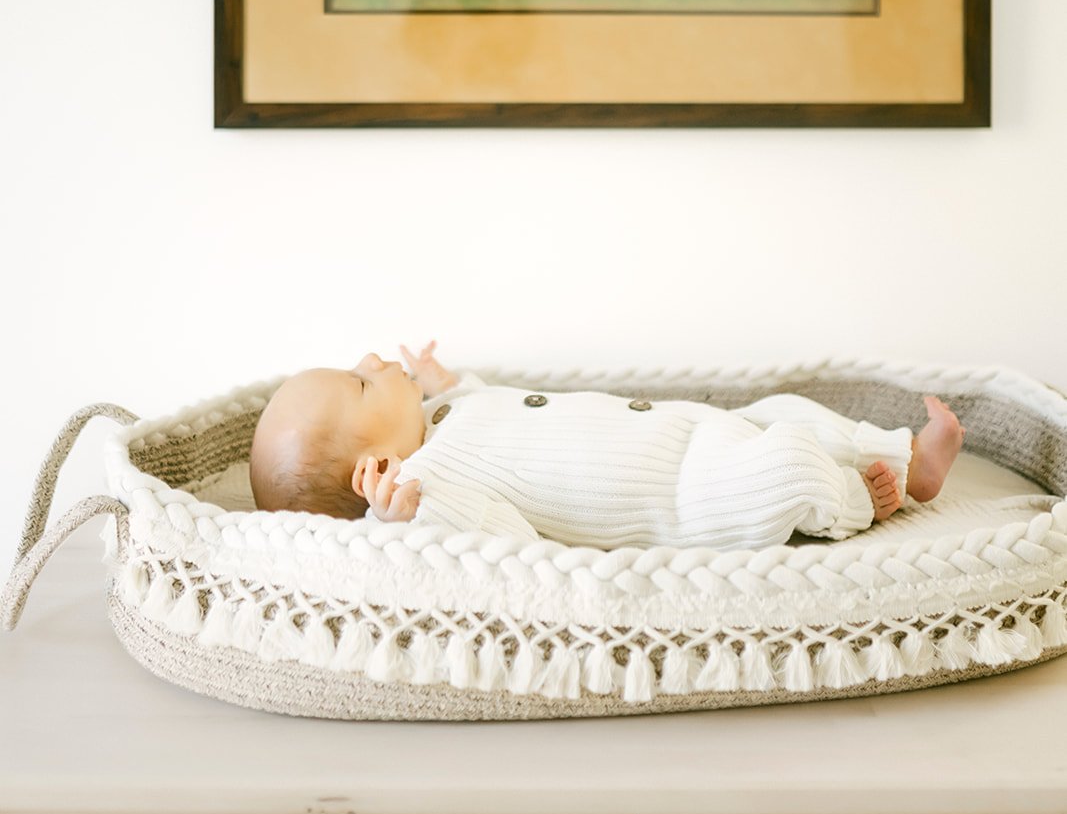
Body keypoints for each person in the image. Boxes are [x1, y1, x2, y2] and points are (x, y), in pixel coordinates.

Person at [249, 344, 966, 550]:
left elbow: (486, 403)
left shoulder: (443, 415)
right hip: (682, 497)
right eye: (360, 380)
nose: (375, 358)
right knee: (784, 466)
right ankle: (857, 502)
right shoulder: (430, 486)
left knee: (780, 413)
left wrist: (444, 383)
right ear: (376, 470)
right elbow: (502, 540)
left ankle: (904, 457)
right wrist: (404, 519)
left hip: (687, 433)